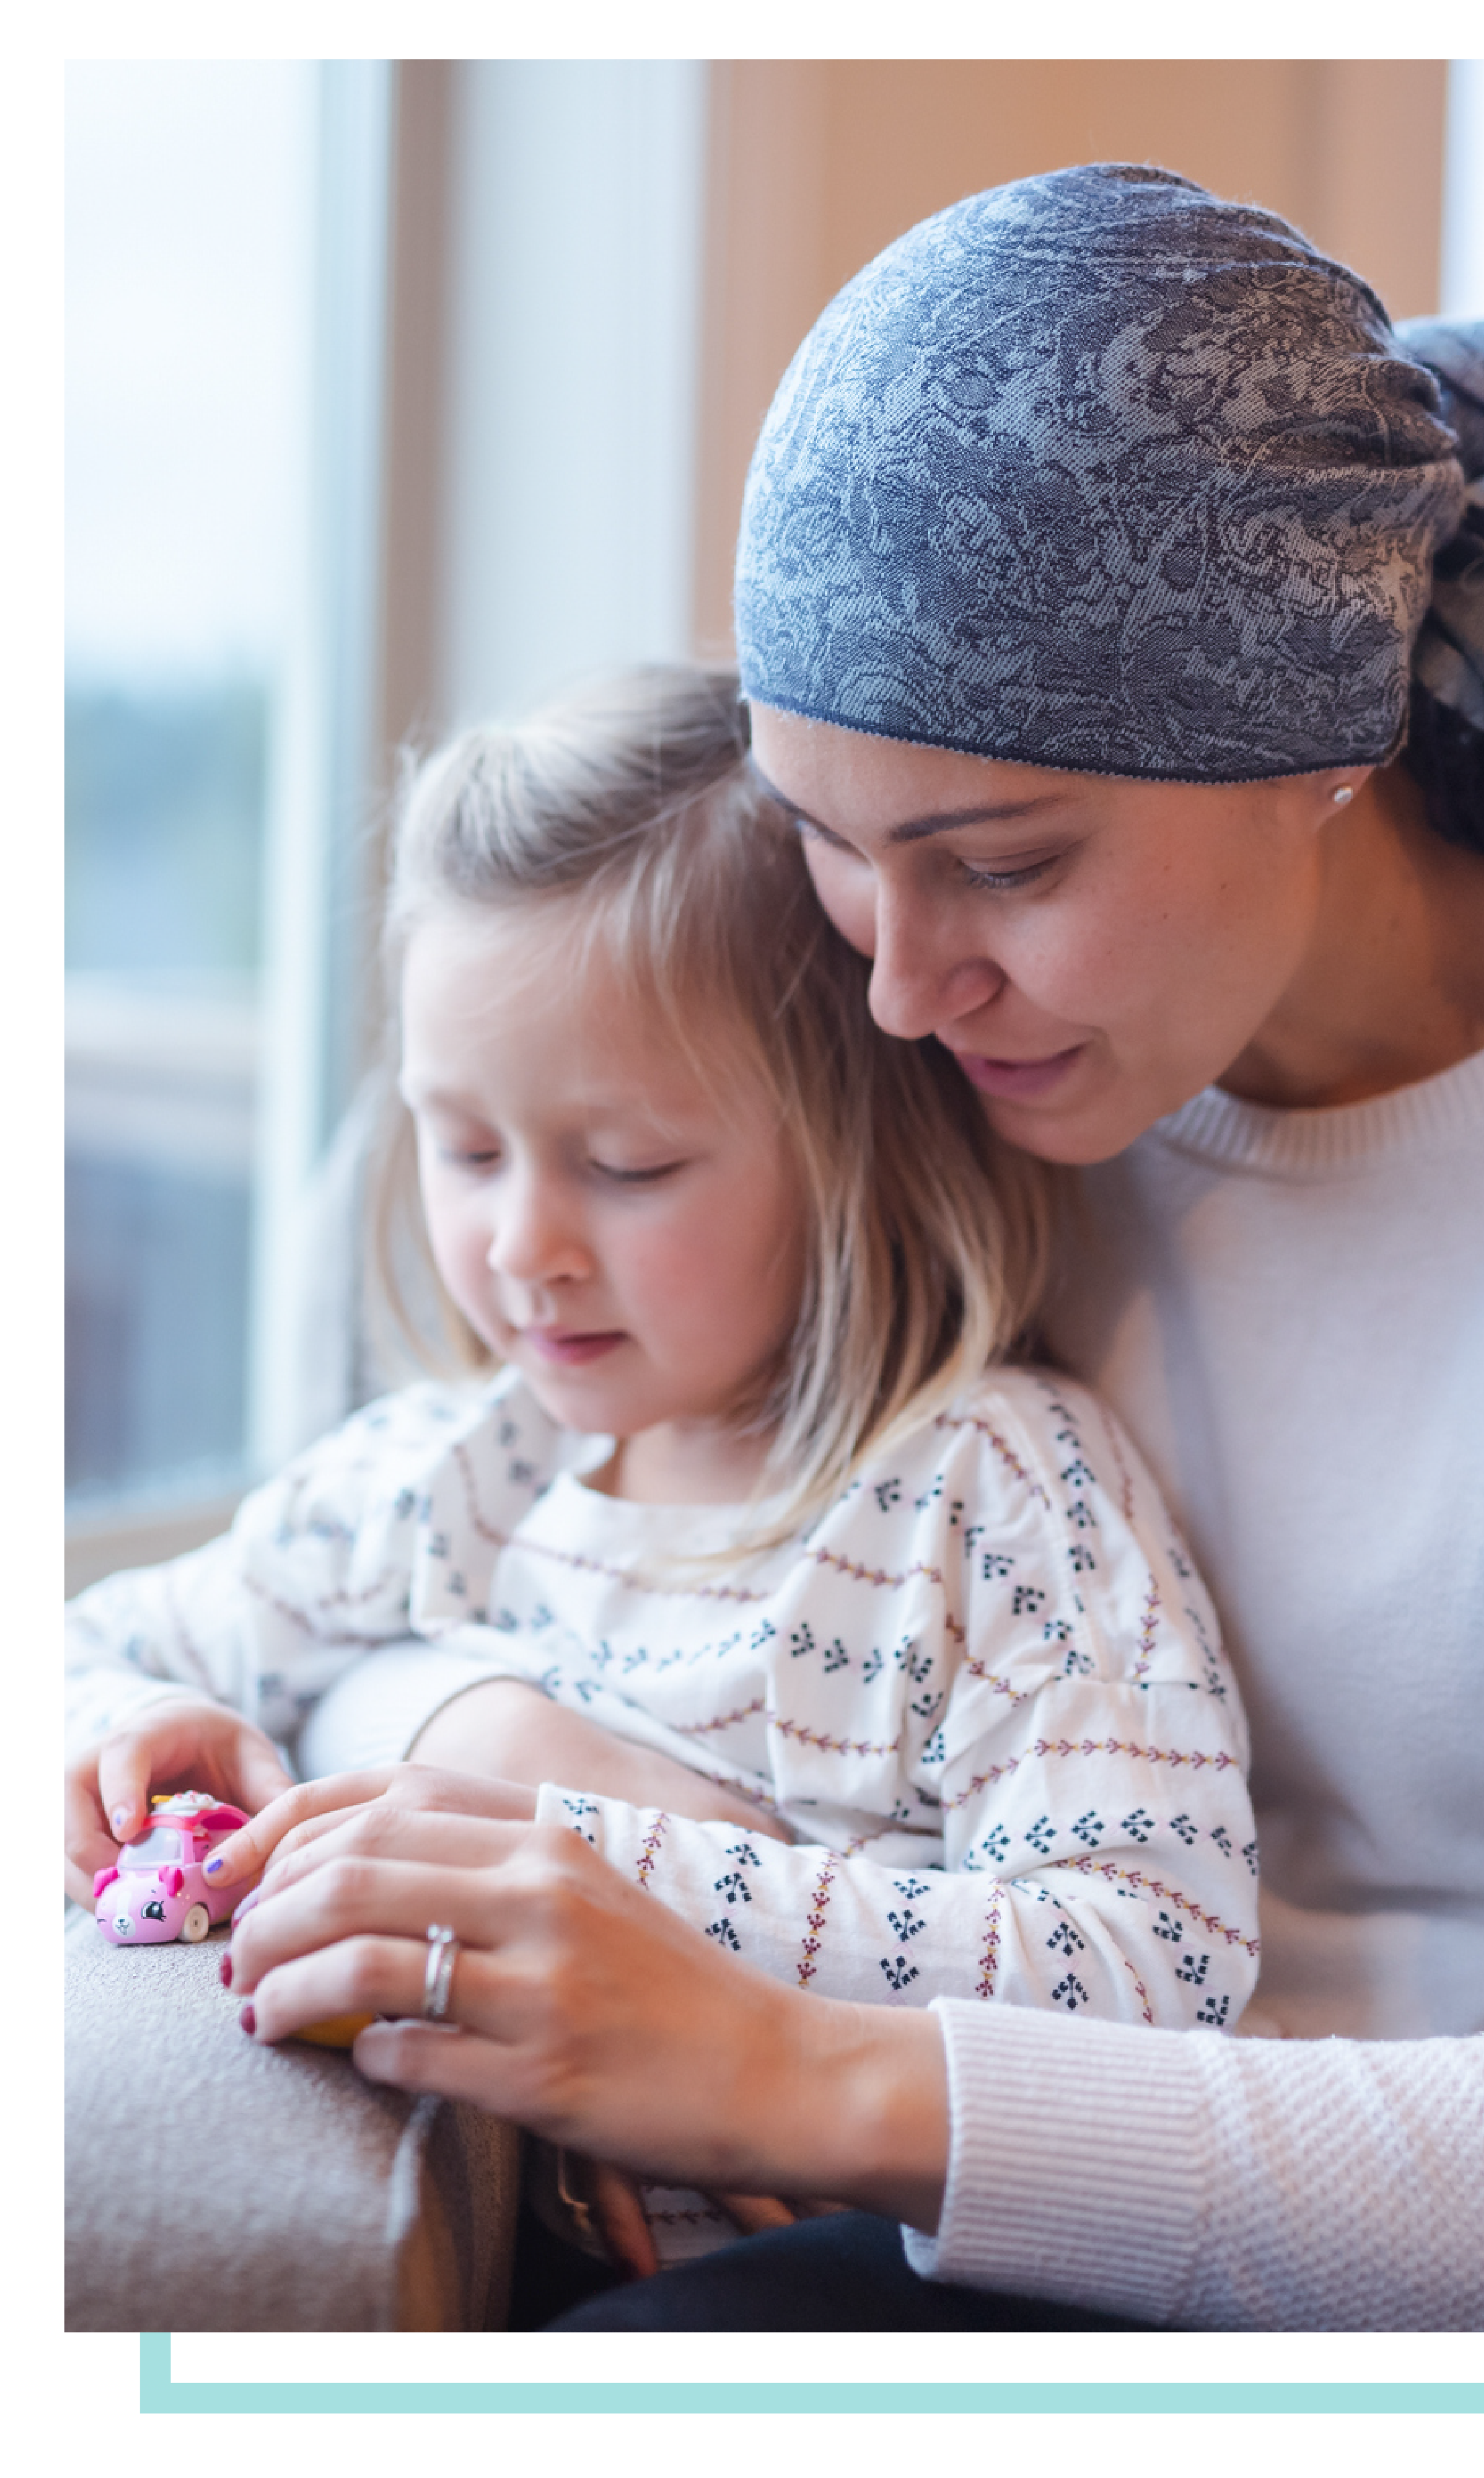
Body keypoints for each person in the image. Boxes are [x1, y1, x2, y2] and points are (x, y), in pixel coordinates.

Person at [217, 164, 1484, 2333]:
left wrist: (807, 2076)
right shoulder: (989, 1081)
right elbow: (521, 1538)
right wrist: (494, 1743)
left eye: (1003, 863)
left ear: (1319, 741)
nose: (894, 988)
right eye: (833, 853)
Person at [62, 663, 1259, 2285]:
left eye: (626, 1166)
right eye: (463, 1148)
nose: (522, 1247)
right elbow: (79, 1650)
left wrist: (575, 1863)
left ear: (852, 1148)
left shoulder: (989, 1498)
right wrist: (126, 1736)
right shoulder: (443, 1481)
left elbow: (1159, 1962)